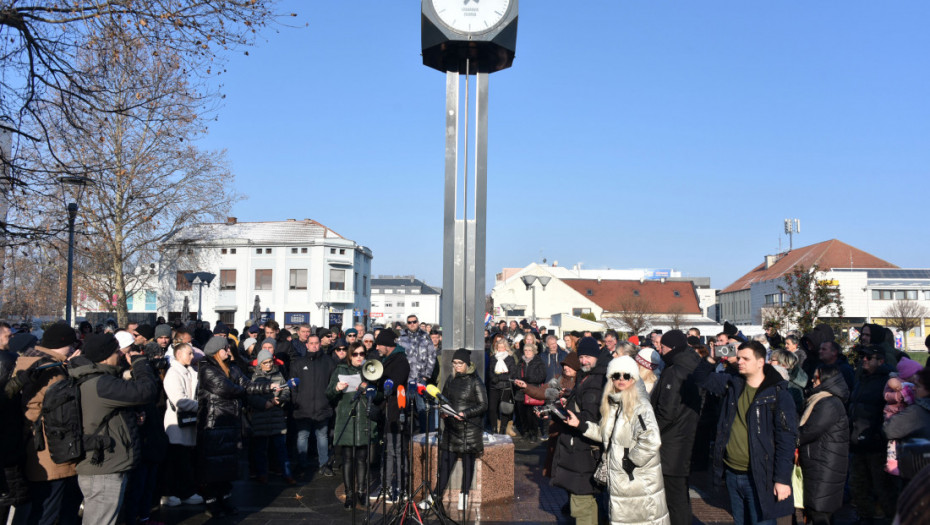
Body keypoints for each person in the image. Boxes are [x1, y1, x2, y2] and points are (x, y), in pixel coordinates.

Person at [692, 340, 798, 525]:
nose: (739, 361)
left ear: (760, 362)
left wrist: (782, 479)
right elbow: (700, 378)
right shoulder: (733, 384)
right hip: (733, 473)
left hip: (760, 476)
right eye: (738, 358)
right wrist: (712, 357)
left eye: (746, 359)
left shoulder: (778, 395)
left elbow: (786, 440)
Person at [565, 356, 670, 525]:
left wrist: (629, 462)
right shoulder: (615, 403)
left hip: (637, 482)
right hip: (623, 482)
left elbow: (651, 440)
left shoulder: (640, 406)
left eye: (626, 375)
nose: (621, 380)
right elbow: (608, 436)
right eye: (616, 376)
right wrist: (581, 425)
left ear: (634, 378)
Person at [69, 333, 160, 525]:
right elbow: (146, 391)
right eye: (116, 351)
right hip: (103, 467)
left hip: (104, 463)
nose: (120, 354)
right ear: (105, 355)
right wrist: (140, 362)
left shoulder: (95, 379)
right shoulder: (101, 382)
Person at [196, 335, 278, 517]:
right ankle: (211, 502)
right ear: (217, 351)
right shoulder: (207, 369)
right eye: (226, 348)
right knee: (212, 466)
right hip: (213, 423)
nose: (229, 351)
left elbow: (246, 384)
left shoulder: (232, 368)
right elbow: (227, 389)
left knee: (226, 465)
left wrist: (268, 388)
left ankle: (225, 499)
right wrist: (245, 391)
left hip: (230, 422)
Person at [11, 323, 83, 525]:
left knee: (34, 509)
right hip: (50, 450)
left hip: (31, 448)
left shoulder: (27, 361)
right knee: (47, 512)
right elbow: (62, 412)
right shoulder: (52, 371)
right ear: (65, 344)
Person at [419, 348, 488, 513]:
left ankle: (464, 495)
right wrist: (443, 411)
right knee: (445, 464)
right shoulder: (451, 378)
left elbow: (483, 404)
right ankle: (436, 495)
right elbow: (444, 397)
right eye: (455, 363)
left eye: (460, 363)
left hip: (469, 430)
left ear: (467, 364)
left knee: (468, 463)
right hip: (451, 429)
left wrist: (466, 414)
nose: (457, 366)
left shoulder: (475, 381)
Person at [550, 337, 607, 525]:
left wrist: (571, 416)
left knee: (582, 503)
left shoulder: (596, 380)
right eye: (581, 356)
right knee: (583, 502)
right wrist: (565, 407)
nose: (584, 361)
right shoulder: (586, 376)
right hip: (578, 448)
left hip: (584, 450)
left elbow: (590, 416)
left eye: (588, 357)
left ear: (597, 356)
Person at [651, 329, 701, 525]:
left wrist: (650, 432)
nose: (660, 351)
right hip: (686, 437)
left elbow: (666, 412)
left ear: (671, 348)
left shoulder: (675, 371)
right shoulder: (693, 365)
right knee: (680, 496)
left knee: (674, 499)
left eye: (662, 347)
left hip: (672, 443)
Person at [326, 341, 377, 509]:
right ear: (349, 355)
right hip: (347, 418)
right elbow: (329, 394)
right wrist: (337, 388)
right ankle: (349, 494)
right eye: (355, 354)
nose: (359, 357)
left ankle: (361, 492)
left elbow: (380, 394)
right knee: (347, 459)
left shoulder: (370, 370)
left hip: (364, 418)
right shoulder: (341, 370)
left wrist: (368, 388)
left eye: (362, 354)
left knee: (362, 458)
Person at [848, 344, 896, 522]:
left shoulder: (887, 381)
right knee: (858, 488)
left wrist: (878, 435)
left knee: (884, 490)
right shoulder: (862, 378)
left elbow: (890, 410)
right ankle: (864, 519)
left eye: (868, 357)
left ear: (881, 361)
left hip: (877, 446)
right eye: (862, 357)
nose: (864, 360)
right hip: (858, 444)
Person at [798, 366, 850, 525]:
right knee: (817, 510)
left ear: (826, 380)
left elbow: (810, 431)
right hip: (820, 461)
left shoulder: (828, 403)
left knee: (819, 511)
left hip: (824, 463)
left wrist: (792, 438)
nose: (812, 380)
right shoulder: (823, 400)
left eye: (816, 377)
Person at [370, 328, 410, 503]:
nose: (377, 347)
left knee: (397, 450)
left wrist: (380, 380)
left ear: (387, 345)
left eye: (379, 344)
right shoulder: (384, 359)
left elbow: (392, 385)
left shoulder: (401, 361)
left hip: (396, 411)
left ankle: (401, 487)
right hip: (385, 412)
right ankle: (385, 486)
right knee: (387, 450)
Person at [161, 343, 203, 507]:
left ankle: (183, 491)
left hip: (188, 423)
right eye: (189, 354)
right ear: (178, 355)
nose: (192, 357)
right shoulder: (173, 374)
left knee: (184, 460)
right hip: (176, 424)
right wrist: (201, 407)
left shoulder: (190, 372)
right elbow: (179, 400)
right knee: (176, 460)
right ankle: (172, 493)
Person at [290, 334, 336, 478]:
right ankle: (301, 465)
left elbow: (333, 384)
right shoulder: (298, 363)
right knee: (302, 436)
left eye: (317, 343)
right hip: (303, 408)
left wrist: (329, 400)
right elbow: (293, 386)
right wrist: (296, 401)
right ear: (307, 345)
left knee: (322, 437)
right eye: (311, 343)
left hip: (323, 406)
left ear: (320, 344)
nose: (314, 345)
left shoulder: (328, 362)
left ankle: (324, 465)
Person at [249, 341, 294, 485]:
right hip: (261, 417)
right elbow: (250, 396)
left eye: (270, 362)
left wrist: (280, 400)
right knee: (260, 450)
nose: (269, 365)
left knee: (281, 449)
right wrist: (265, 403)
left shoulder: (278, 373)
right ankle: (262, 474)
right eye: (266, 362)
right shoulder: (254, 377)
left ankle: (287, 474)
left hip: (276, 417)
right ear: (260, 363)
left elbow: (286, 390)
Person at [884, 366, 930, 479]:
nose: (913, 388)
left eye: (918, 386)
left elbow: (889, 429)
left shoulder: (916, 412)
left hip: (918, 471)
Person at [398, 315, 437, 433]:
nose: (412, 324)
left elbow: (432, 356)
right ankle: (405, 437)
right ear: (407, 324)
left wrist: (426, 374)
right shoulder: (401, 338)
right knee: (404, 409)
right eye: (409, 322)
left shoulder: (425, 337)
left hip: (420, 379)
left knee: (423, 409)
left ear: (418, 322)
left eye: (414, 322)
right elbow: (398, 358)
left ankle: (424, 436)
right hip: (406, 379)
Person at [513, 342, 546, 441]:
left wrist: (528, 379)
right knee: (522, 415)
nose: (527, 352)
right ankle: (525, 433)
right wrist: (516, 380)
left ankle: (534, 434)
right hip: (520, 392)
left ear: (534, 351)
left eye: (529, 350)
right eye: (525, 350)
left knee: (532, 415)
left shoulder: (539, 362)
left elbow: (542, 377)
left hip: (533, 391)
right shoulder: (521, 362)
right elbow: (515, 374)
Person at [486, 337, 517, 436]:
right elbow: (490, 371)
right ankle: (494, 428)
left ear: (506, 348)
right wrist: (494, 377)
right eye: (499, 347)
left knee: (504, 409)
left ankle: (503, 428)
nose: (500, 349)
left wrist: (499, 377)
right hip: (494, 386)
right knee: (492, 408)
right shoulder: (493, 358)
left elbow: (511, 374)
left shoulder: (510, 358)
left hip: (505, 387)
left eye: (502, 347)